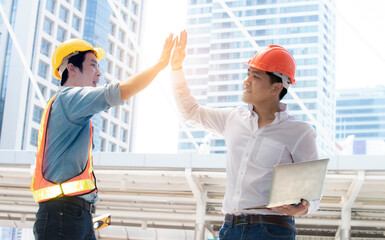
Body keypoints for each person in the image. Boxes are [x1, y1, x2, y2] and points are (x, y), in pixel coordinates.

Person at [170, 30, 319, 239]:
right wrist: (176, 68)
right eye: (248, 73)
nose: (246, 81)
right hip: (230, 228)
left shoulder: (300, 133)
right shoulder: (233, 119)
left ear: (276, 87)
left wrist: (302, 208)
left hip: (272, 230)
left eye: (255, 76)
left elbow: (312, 197)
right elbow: (190, 113)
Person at [30, 35, 174, 240]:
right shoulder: (69, 99)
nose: (99, 73)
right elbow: (117, 92)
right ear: (71, 68)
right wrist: (160, 65)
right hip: (62, 215)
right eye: (93, 65)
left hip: (74, 215)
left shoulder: (69, 106)